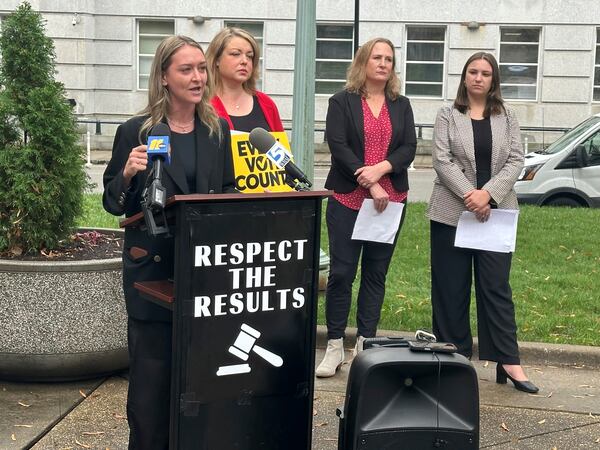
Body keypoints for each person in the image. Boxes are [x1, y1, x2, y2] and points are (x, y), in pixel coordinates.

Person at [102, 35, 237, 448]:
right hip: (153, 276)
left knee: (200, 381)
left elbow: (228, 192)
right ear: (163, 76)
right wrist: (126, 174)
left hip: (204, 277)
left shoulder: (218, 130)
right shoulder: (136, 131)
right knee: (151, 389)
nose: (198, 77)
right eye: (186, 69)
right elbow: (113, 202)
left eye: (201, 68)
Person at [427, 51, 538, 393]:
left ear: (493, 81)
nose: (478, 77)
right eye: (472, 72)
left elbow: (517, 160)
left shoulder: (508, 116)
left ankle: (508, 359)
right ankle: (454, 359)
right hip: (451, 213)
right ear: (464, 77)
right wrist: (469, 196)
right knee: (451, 289)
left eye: (485, 73)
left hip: (495, 213)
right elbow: (441, 160)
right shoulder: (448, 114)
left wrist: (487, 195)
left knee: (495, 288)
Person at [316, 38, 417, 378]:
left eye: (389, 59)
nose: (384, 63)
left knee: (376, 274)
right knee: (343, 274)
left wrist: (383, 169)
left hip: (390, 203)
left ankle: (365, 344)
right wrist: (369, 181)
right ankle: (333, 345)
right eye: (377, 57)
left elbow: (409, 147)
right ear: (363, 62)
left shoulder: (400, 104)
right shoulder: (341, 101)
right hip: (349, 199)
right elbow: (339, 147)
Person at [206, 27, 284, 133]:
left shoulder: (266, 104)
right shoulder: (202, 103)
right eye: (235, 54)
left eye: (250, 56)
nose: (244, 61)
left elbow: (281, 147)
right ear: (216, 59)